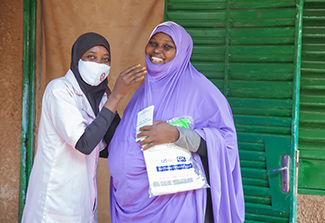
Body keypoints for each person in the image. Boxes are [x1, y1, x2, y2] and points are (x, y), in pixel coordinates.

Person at [107, 22, 245, 223]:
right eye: (152, 43)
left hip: (176, 209)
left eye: (167, 46)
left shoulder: (201, 90)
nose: (157, 50)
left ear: (181, 52)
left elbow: (227, 143)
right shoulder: (142, 92)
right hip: (131, 208)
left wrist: (177, 135)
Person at [22, 32, 146, 223]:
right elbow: (85, 143)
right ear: (77, 58)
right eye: (91, 57)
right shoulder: (60, 90)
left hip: (83, 201)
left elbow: (112, 147)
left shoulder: (99, 98)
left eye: (105, 59)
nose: (98, 64)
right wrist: (115, 98)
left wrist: (109, 101)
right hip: (55, 202)